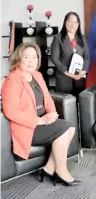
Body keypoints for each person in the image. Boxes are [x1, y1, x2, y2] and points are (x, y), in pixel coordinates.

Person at [2, 42, 80, 186]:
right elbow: (11, 112)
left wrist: (52, 113)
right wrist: (40, 121)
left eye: (34, 57)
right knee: (66, 129)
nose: (31, 61)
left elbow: (47, 97)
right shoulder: (12, 80)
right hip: (28, 128)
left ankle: (49, 169)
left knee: (70, 128)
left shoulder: (37, 75)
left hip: (43, 122)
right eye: (26, 57)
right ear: (18, 59)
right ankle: (61, 172)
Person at [51, 11, 89, 98]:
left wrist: (84, 70)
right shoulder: (58, 38)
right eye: (70, 22)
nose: (73, 24)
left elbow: (87, 56)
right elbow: (54, 58)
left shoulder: (82, 38)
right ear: (65, 23)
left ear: (78, 24)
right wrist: (67, 72)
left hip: (79, 76)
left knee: (79, 100)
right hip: (63, 77)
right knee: (65, 103)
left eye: (75, 22)